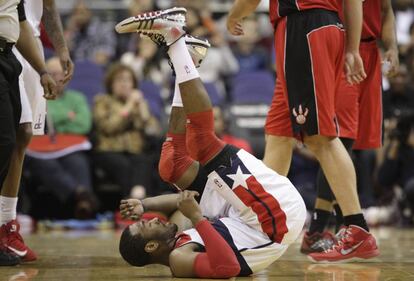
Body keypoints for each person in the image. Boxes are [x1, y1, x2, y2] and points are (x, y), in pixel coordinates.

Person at [115, 7, 306, 277]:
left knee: (172, 166)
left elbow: (182, 200)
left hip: (244, 215)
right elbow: (226, 268)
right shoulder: (180, 260)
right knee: (202, 143)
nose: (152, 220)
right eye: (148, 225)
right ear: (152, 246)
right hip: (274, 222)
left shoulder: (178, 243)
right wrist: (196, 218)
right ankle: (175, 39)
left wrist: (145, 204)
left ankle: (187, 58)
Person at [226, 0, 379, 262]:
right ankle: (259, 224)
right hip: (321, 27)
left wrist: (233, 16)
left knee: (320, 138)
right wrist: (352, 48)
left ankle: (357, 228)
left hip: (304, 28)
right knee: (279, 135)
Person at [300, 0, 400, 256]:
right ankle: (319, 228)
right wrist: (351, 50)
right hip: (345, 49)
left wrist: (392, 46)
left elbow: (386, 11)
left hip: (369, 53)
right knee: (338, 139)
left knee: (350, 143)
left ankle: (326, 228)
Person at [1, 0, 72, 264]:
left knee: (22, 137)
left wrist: (60, 48)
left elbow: (48, 6)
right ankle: (5, 223)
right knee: (14, 135)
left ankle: (7, 224)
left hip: (27, 40)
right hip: (9, 42)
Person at [25, 57, 96, 220]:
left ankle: (82, 203)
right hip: (39, 149)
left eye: (61, 73)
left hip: (71, 146)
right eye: (52, 73)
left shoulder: (77, 98)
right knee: (45, 165)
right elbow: (41, 122)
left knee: (78, 162)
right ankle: (81, 196)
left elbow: (83, 125)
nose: (57, 78)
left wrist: (58, 121)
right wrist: (68, 116)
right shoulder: (37, 97)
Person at [93, 63, 162, 199]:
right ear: (111, 83)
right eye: (119, 80)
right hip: (109, 150)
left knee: (144, 161)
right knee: (123, 165)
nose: (124, 84)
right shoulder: (102, 101)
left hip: (134, 151)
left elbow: (153, 131)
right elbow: (108, 127)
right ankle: (132, 202)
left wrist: (143, 110)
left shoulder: (140, 104)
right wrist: (129, 106)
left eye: (128, 80)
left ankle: (138, 198)